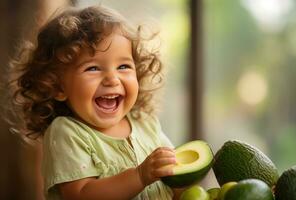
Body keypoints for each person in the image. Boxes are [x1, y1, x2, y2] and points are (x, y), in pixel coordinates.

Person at [8, 5, 184, 200]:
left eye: (123, 66)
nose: (112, 79)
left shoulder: (145, 123)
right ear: (58, 87)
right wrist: (140, 176)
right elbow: (81, 194)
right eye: (92, 68)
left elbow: (175, 175)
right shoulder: (67, 132)